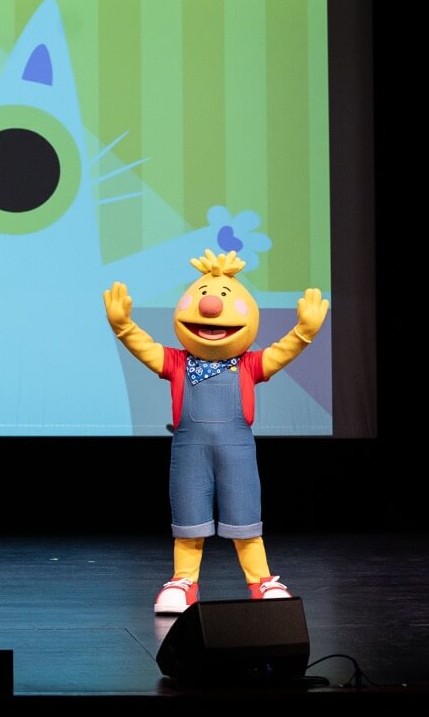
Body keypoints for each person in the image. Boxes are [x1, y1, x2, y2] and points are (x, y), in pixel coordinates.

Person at [103, 249, 327, 614]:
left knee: (245, 518)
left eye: (223, 297)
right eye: (205, 295)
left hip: (237, 451)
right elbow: (145, 349)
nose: (210, 306)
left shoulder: (250, 365)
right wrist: (124, 327)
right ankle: (183, 581)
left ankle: (261, 581)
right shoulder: (177, 363)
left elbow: (281, 352)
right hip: (190, 451)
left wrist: (303, 332)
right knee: (189, 520)